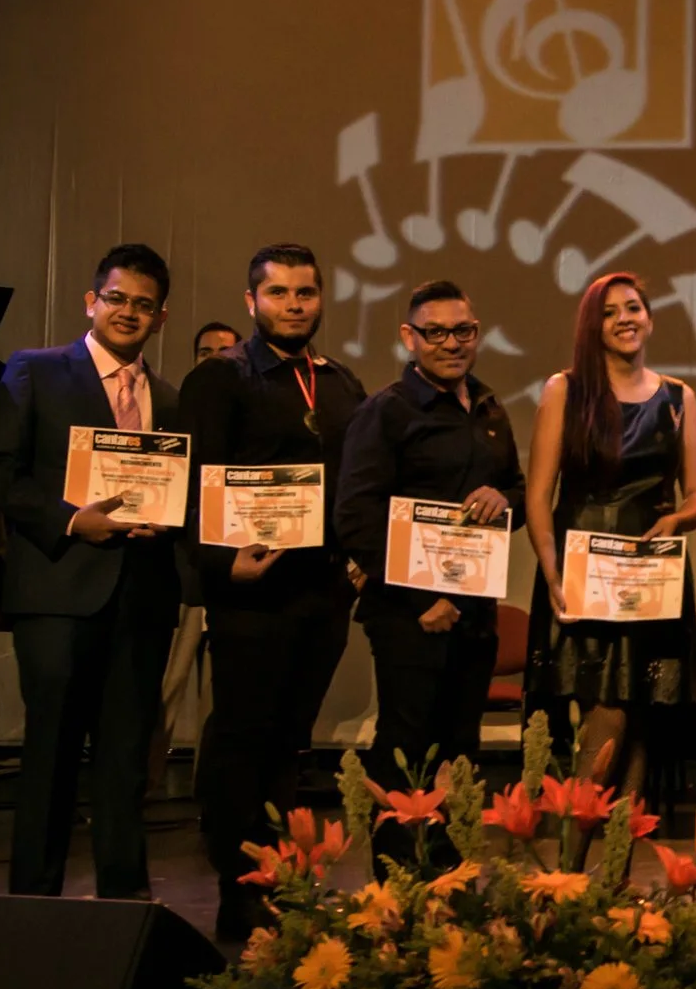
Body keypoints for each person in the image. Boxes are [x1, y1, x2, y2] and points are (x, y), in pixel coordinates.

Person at [0, 243, 184, 898]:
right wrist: (73, 519)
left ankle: (124, 908)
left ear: (162, 317)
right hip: (59, 591)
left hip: (141, 598)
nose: (128, 312)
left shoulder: (170, 401)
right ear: (90, 301)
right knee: (52, 756)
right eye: (117, 298)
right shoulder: (35, 371)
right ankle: (33, 908)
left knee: (126, 763)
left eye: (143, 304)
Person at [179, 244, 365, 939]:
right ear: (252, 300)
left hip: (322, 593)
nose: (295, 304)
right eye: (280, 293)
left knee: (289, 745)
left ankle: (281, 880)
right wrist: (223, 565)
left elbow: (359, 481)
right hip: (251, 594)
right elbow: (193, 483)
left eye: (306, 293)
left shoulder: (341, 383)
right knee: (241, 742)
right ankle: (238, 889)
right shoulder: (220, 379)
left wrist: (361, 559)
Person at [336, 281, 525, 864]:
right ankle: (398, 886)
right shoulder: (387, 410)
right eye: (436, 332)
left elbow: (516, 490)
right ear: (409, 337)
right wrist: (419, 600)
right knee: (406, 752)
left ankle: (450, 877)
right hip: (409, 617)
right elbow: (355, 515)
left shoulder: (490, 407)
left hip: (474, 613)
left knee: (458, 754)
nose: (451, 343)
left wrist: (503, 498)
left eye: (462, 331)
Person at [523, 271, 696, 795]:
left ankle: (616, 871)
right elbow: (539, 495)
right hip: (585, 575)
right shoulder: (566, 390)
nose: (623, 319)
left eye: (632, 308)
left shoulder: (679, 398)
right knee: (607, 719)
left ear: (649, 318)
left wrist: (678, 519)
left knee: (641, 725)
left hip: (653, 577)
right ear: (592, 325)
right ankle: (574, 865)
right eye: (609, 312)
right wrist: (552, 573)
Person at [148, 319, 244, 793]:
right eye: (206, 351)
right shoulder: (172, 409)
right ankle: (138, 789)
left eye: (225, 351)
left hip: (234, 578)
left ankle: (213, 794)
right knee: (165, 689)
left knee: (221, 700)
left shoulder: (254, 414)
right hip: (185, 578)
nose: (215, 358)